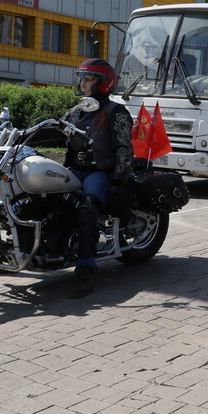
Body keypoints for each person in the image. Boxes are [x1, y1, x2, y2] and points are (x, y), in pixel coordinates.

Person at [63, 58, 134, 298]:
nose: (83, 83)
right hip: (75, 169)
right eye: (81, 77)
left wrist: (119, 181)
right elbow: (56, 130)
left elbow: (125, 148)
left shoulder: (116, 112)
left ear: (104, 83)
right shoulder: (76, 111)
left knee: (86, 211)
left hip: (99, 171)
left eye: (89, 78)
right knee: (50, 201)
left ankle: (86, 266)